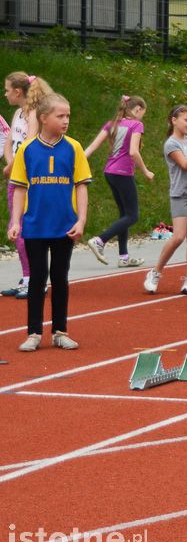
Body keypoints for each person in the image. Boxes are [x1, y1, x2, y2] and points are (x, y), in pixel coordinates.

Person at [8, 93, 90, 351]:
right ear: (43, 118)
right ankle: (33, 332)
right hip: (35, 225)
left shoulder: (74, 148)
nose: (66, 120)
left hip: (64, 225)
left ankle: (60, 331)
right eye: (60, 116)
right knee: (37, 278)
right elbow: (19, 188)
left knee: (60, 277)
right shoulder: (28, 149)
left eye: (68, 116)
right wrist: (15, 221)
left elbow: (81, 186)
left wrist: (81, 220)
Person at [143, 106, 187, 295]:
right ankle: (155, 272)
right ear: (174, 120)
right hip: (180, 195)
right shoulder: (171, 144)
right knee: (179, 236)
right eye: (186, 120)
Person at [84, 95, 154, 267]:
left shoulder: (112, 124)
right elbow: (133, 152)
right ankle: (100, 240)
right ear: (137, 109)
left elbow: (92, 147)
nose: (142, 117)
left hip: (110, 172)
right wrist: (146, 171)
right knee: (133, 215)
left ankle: (124, 257)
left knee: (124, 214)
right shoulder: (136, 125)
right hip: (123, 173)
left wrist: (76, 163)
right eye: (142, 113)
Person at [3, 72, 51, 299]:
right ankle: (27, 276)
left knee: (25, 229)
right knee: (16, 227)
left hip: (29, 179)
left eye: (7, 90)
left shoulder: (33, 114)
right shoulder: (18, 113)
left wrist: (14, 167)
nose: (5, 94)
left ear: (18, 91)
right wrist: (9, 164)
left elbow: (29, 145)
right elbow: (10, 142)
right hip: (16, 175)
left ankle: (37, 279)